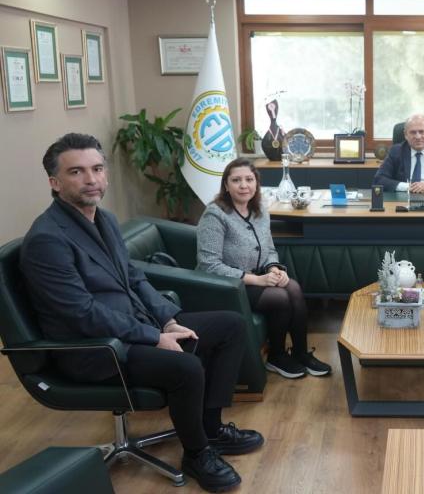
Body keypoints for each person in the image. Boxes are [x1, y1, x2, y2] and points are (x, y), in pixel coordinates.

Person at [19, 133, 262, 493]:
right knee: (185, 366)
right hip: (97, 348)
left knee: (230, 326)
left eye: (97, 169)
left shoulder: (104, 219)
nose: (91, 179)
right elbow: (82, 314)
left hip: (135, 326)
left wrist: (168, 320)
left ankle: (211, 429)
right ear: (55, 183)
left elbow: (134, 278)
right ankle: (196, 453)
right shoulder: (47, 239)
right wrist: (154, 337)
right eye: (76, 171)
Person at [196, 157, 331, 380]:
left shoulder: (259, 209)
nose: (244, 185)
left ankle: (300, 353)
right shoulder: (215, 214)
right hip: (226, 286)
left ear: (256, 183)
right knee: (280, 298)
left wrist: (274, 268)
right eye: (236, 180)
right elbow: (208, 265)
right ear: (226, 185)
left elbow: (269, 249)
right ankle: (276, 356)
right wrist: (257, 280)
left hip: (256, 278)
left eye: (249, 179)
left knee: (293, 288)